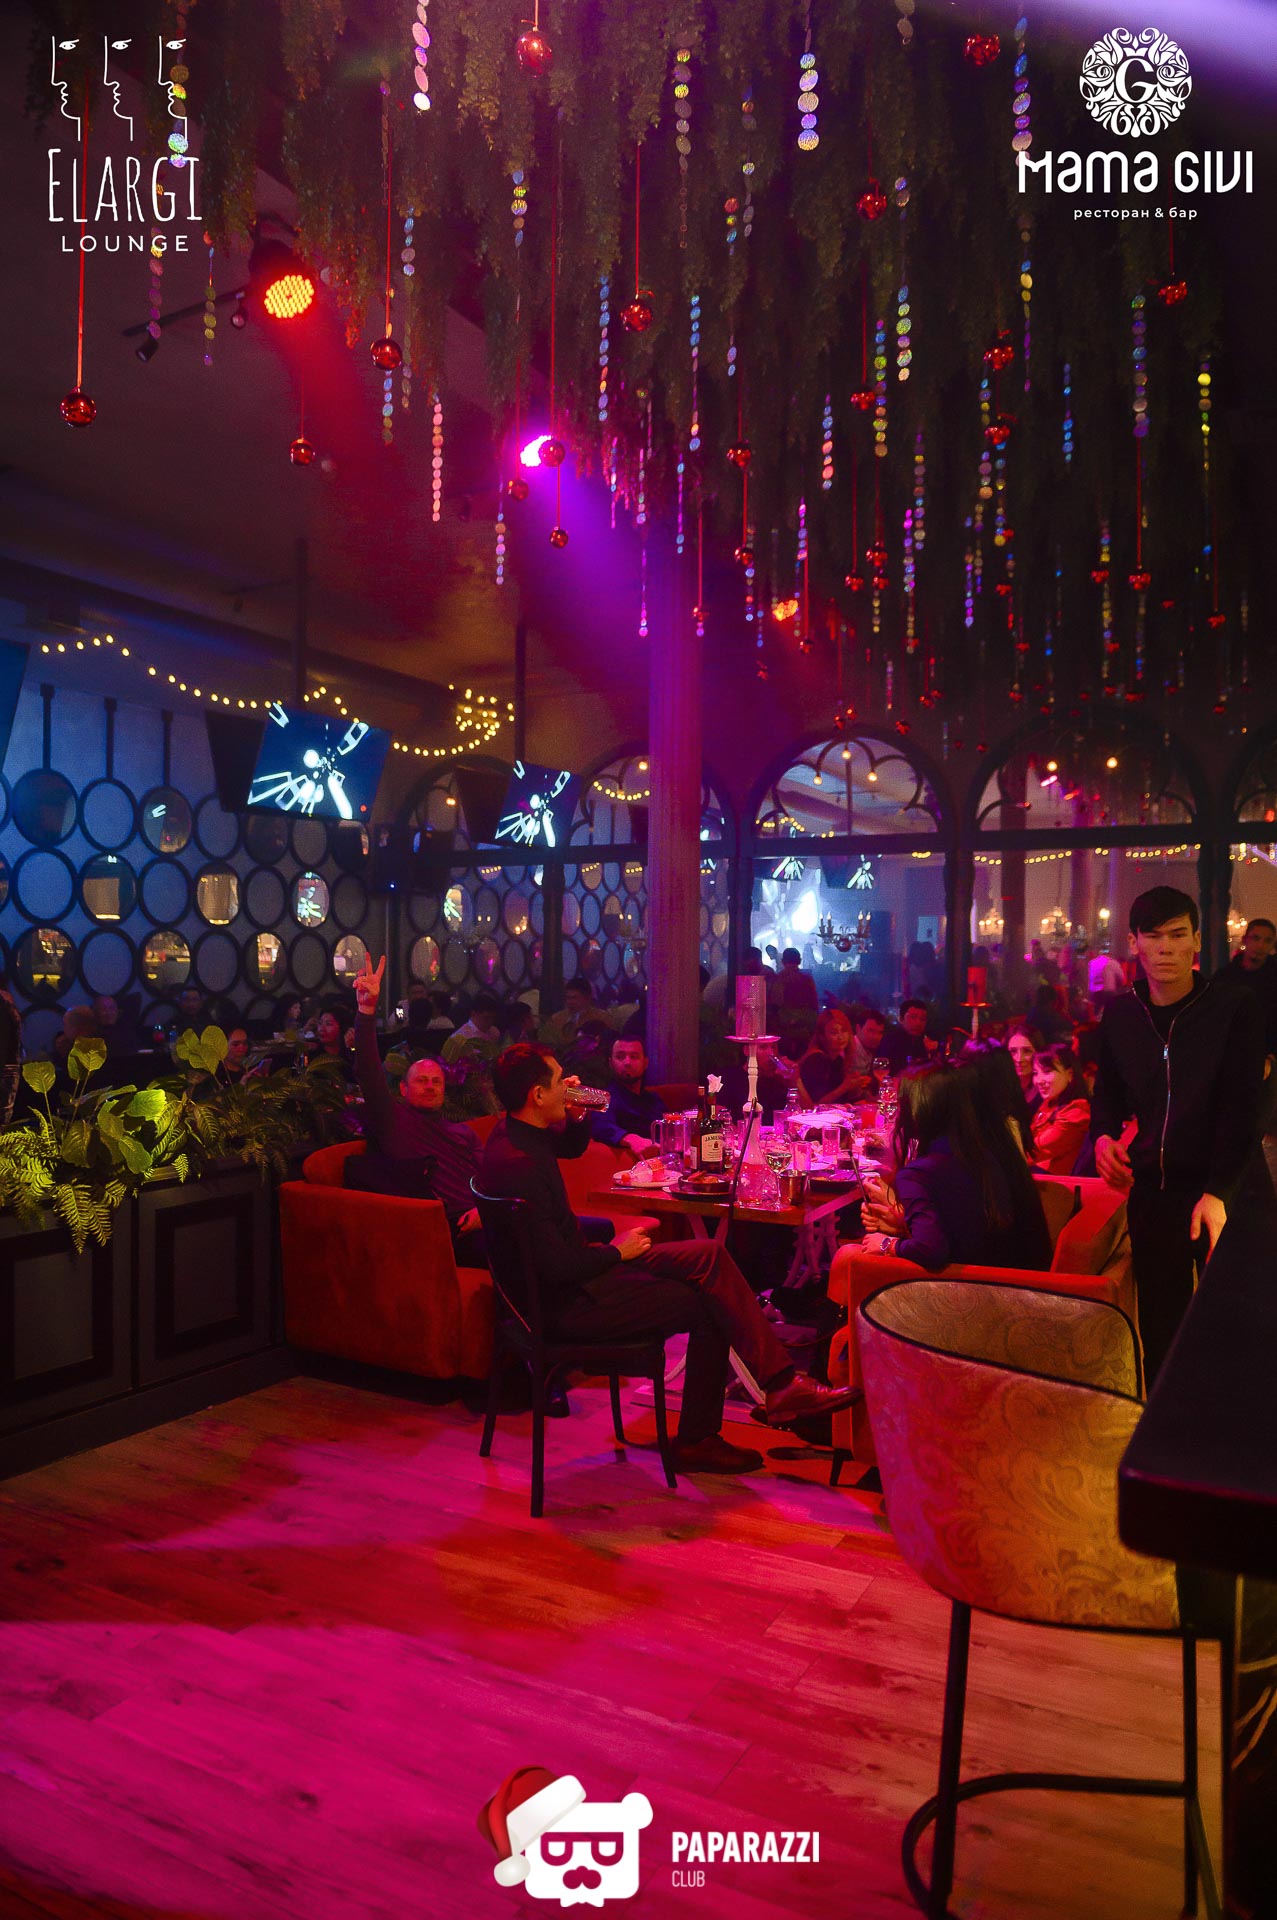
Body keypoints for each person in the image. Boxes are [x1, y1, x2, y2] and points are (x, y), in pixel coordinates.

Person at [477, 1043, 859, 1476]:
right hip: (567, 1302)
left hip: (583, 1272)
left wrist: (579, 1115)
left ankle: (781, 1387)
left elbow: (568, 1149)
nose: (570, 1086)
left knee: (709, 1255)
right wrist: (616, 1251)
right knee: (712, 1301)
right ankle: (701, 1438)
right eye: (559, 1081)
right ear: (537, 1095)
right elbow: (555, 1268)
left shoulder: (515, 1133)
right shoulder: (519, 1165)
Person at [1091, 886, 1265, 1384]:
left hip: (1226, 1189)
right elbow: (1106, 1096)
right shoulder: (1120, 1014)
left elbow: (1242, 1109)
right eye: (1153, 936)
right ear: (1134, 943)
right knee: (1161, 1332)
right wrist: (1103, 1139)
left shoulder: (1234, 1006)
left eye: (1177, 935)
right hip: (1156, 1192)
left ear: (1197, 941)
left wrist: (1219, 1190)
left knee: (1233, 1329)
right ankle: (1163, 1428)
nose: (1165, 948)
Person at [351, 955, 486, 1264]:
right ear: (403, 1089)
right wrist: (366, 1011)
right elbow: (369, 1073)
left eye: (436, 1082)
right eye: (421, 1081)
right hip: (443, 1228)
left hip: (483, 1216)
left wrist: (485, 1209)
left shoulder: (461, 1133)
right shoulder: (395, 1121)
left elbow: (490, 1177)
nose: (430, 1086)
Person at [859, 1061, 1053, 1273]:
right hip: (1020, 1278)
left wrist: (887, 1244)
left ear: (919, 1109)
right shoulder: (991, 1152)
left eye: (900, 1105)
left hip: (973, 1285)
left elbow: (931, 1252)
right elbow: (969, 1228)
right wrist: (904, 1222)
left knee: (849, 1256)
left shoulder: (918, 1174)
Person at [592, 1031, 665, 1155]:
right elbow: (601, 1127)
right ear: (611, 1063)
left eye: (634, 1056)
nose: (627, 1063)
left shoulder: (654, 1100)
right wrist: (632, 1139)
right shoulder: (603, 1098)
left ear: (645, 1063)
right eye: (620, 1057)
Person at [1029, 1044, 1092, 1174]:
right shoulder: (1049, 1103)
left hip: (1054, 1184)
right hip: (1037, 1178)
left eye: (1047, 1071)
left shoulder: (1077, 1112)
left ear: (1069, 1074)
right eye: (1035, 1073)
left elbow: (1034, 1152)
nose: (1039, 1080)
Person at [1226, 917, 1277, 1060]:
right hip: (1234, 1053)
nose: (1260, 945)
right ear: (1244, 940)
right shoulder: (1226, 977)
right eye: (1256, 938)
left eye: (1267, 941)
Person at [721, 1037, 792, 1123]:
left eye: (773, 1047)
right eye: (763, 1047)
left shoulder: (779, 1081)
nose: (771, 1053)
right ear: (747, 1050)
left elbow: (802, 1115)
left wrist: (796, 1080)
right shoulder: (729, 1078)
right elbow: (719, 1112)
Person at [879, 999, 937, 1075]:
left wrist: (932, 1053)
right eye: (913, 1017)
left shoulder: (926, 1041)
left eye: (923, 1019)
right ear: (901, 1019)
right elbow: (882, 1072)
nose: (918, 1023)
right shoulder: (889, 1041)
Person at [443, 990, 503, 1062]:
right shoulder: (459, 1038)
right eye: (486, 1018)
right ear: (473, 1013)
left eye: (493, 1018)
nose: (490, 1022)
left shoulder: (494, 1032)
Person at [1004, 1023, 1041, 1116]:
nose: (1019, 1059)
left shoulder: (1046, 1089)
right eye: (1013, 1051)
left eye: (1027, 1051)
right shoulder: (998, 1087)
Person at [775, 948, 819, 1014]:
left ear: (782, 961)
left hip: (784, 1017)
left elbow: (776, 1001)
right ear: (800, 961)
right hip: (805, 1017)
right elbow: (814, 1002)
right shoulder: (806, 978)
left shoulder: (777, 979)